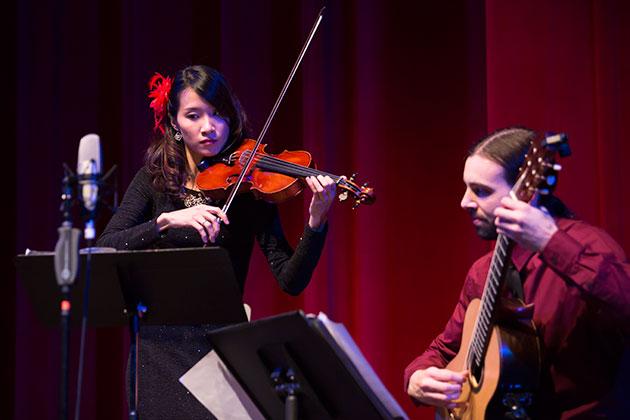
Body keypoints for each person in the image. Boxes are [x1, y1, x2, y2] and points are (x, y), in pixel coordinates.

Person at [97, 65, 337, 418]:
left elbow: (291, 280)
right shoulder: (154, 181)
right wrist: (163, 222)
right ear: (175, 123)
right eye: (194, 116)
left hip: (220, 347)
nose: (209, 127)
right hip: (157, 352)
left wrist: (316, 221)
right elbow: (108, 245)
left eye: (218, 113)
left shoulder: (249, 186)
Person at [404, 127, 630, 418]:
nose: (465, 202)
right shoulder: (483, 271)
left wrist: (551, 243)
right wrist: (418, 377)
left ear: (526, 192)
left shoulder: (588, 246)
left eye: (481, 191)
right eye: (467, 188)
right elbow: (447, 349)